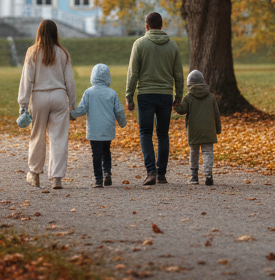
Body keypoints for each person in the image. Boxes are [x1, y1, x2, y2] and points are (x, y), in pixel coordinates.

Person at [125, 11, 184, 185]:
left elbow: (133, 73)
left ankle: (150, 171)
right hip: (165, 94)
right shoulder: (172, 46)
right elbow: (178, 74)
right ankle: (162, 173)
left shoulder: (139, 44)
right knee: (163, 134)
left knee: (145, 133)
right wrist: (178, 96)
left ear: (146, 26)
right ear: (161, 26)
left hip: (146, 95)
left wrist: (129, 96)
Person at [17, 19, 76, 190]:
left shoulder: (32, 52)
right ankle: (56, 178)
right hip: (59, 96)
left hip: (39, 97)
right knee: (59, 138)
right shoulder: (63, 53)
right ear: (55, 32)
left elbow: (26, 79)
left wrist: (23, 103)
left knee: (37, 136)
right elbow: (70, 81)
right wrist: (72, 104)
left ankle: (35, 173)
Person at [70, 63, 127, 188]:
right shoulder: (112, 93)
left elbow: (82, 109)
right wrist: (123, 123)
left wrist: (72, 115)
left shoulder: (89, 92)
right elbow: (119, 110)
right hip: (107, 129)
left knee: (96, 155)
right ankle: (107, 172)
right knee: (106, 151)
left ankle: (98, 179)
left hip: (94, 130)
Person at [174, 70, 222, 185]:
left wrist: (176, 104)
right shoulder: (211, 97)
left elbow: (182, 110)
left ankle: (194, 177)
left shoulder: (189, 97)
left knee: (194, 152)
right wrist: (218, 129)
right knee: (208, 152)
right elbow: (216, 115)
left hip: (194, 131)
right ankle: (208, 175)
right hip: (208, 131)